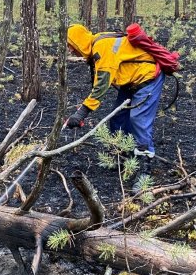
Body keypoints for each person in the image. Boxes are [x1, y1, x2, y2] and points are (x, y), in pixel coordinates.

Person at [65, 24, 165, 189]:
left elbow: (101, 87)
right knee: (117, 118)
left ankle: (144, 170)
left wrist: (81, 113)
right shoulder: (97, 42)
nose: (70, 50)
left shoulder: (101, 49)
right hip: (131, 80)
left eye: (70, 46)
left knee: (138, 120)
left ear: (78, 42)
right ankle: (123, 155)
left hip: (147, 78)